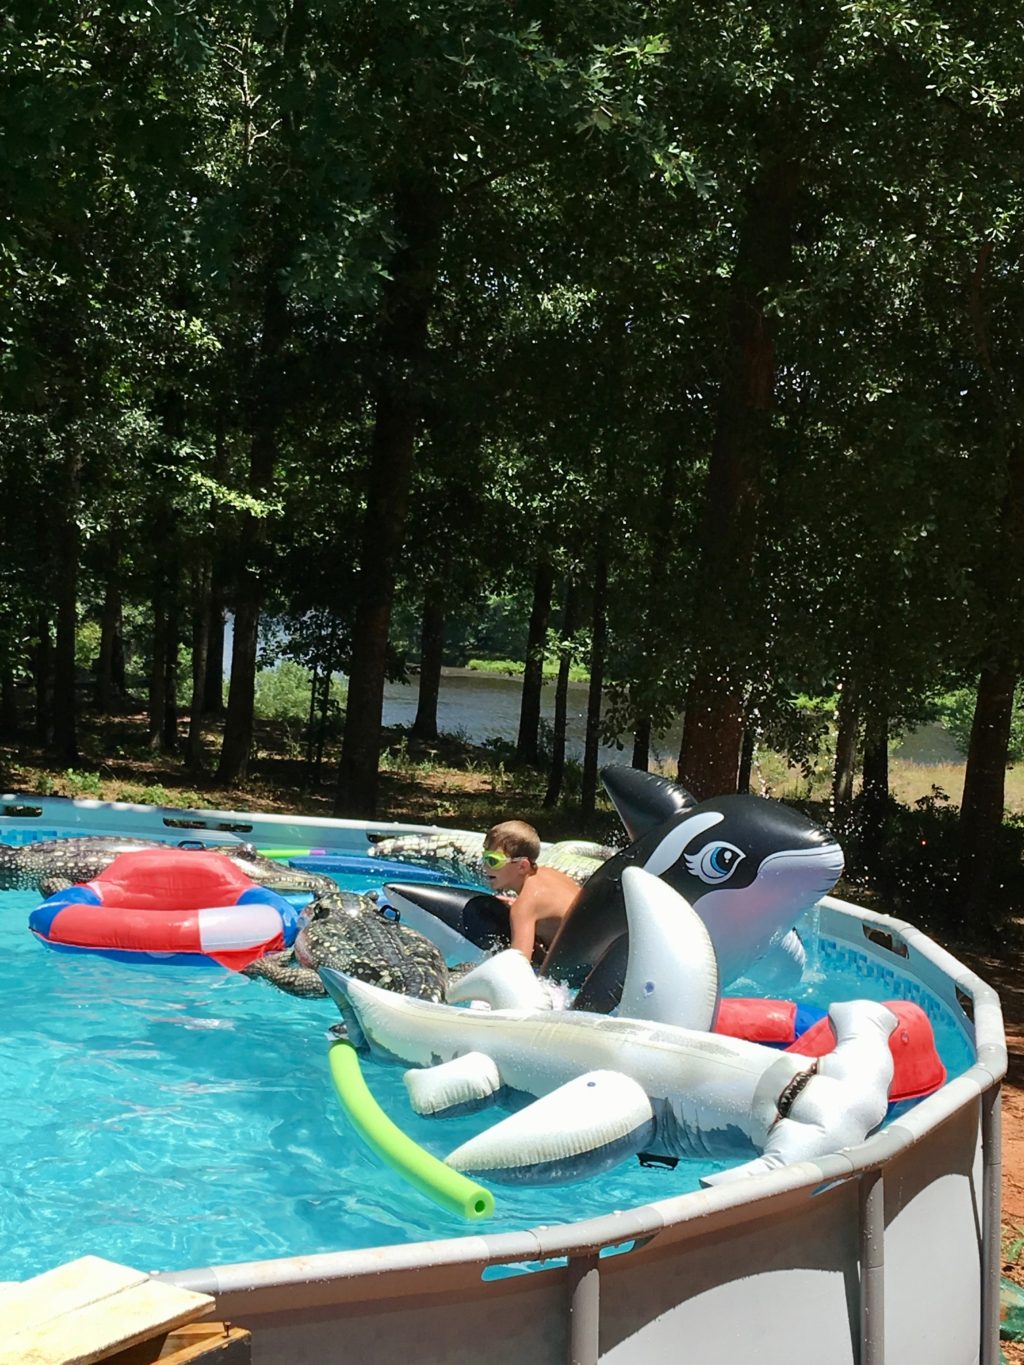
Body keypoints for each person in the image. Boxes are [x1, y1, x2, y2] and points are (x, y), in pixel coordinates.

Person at [481, 820, 580, 965]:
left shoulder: (524, 907)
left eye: (493, 861)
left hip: (580, 966)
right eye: (484, 857)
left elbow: (519, 969)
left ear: (522, 866)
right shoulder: (551, 873)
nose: (485, 866)